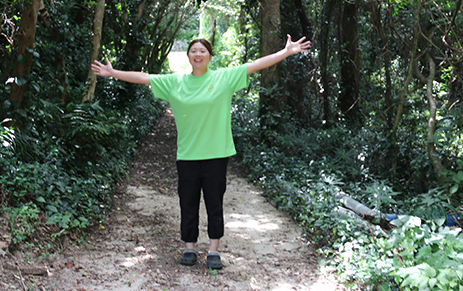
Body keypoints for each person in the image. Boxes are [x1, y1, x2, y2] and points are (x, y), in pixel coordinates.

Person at [91, 34, 311, 270]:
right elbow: (144, 78)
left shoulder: (224, 78)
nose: (198, 54)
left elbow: (256, 65)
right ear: (188, 56)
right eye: (193, 51)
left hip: (216, 154)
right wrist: (113, 73)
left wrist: (286, 52)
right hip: (187, 156)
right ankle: (189, 247)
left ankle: (213, 250)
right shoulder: (175, 82)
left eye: (202, 51)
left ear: (210, 56)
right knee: (188, 202)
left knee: (214, 203)